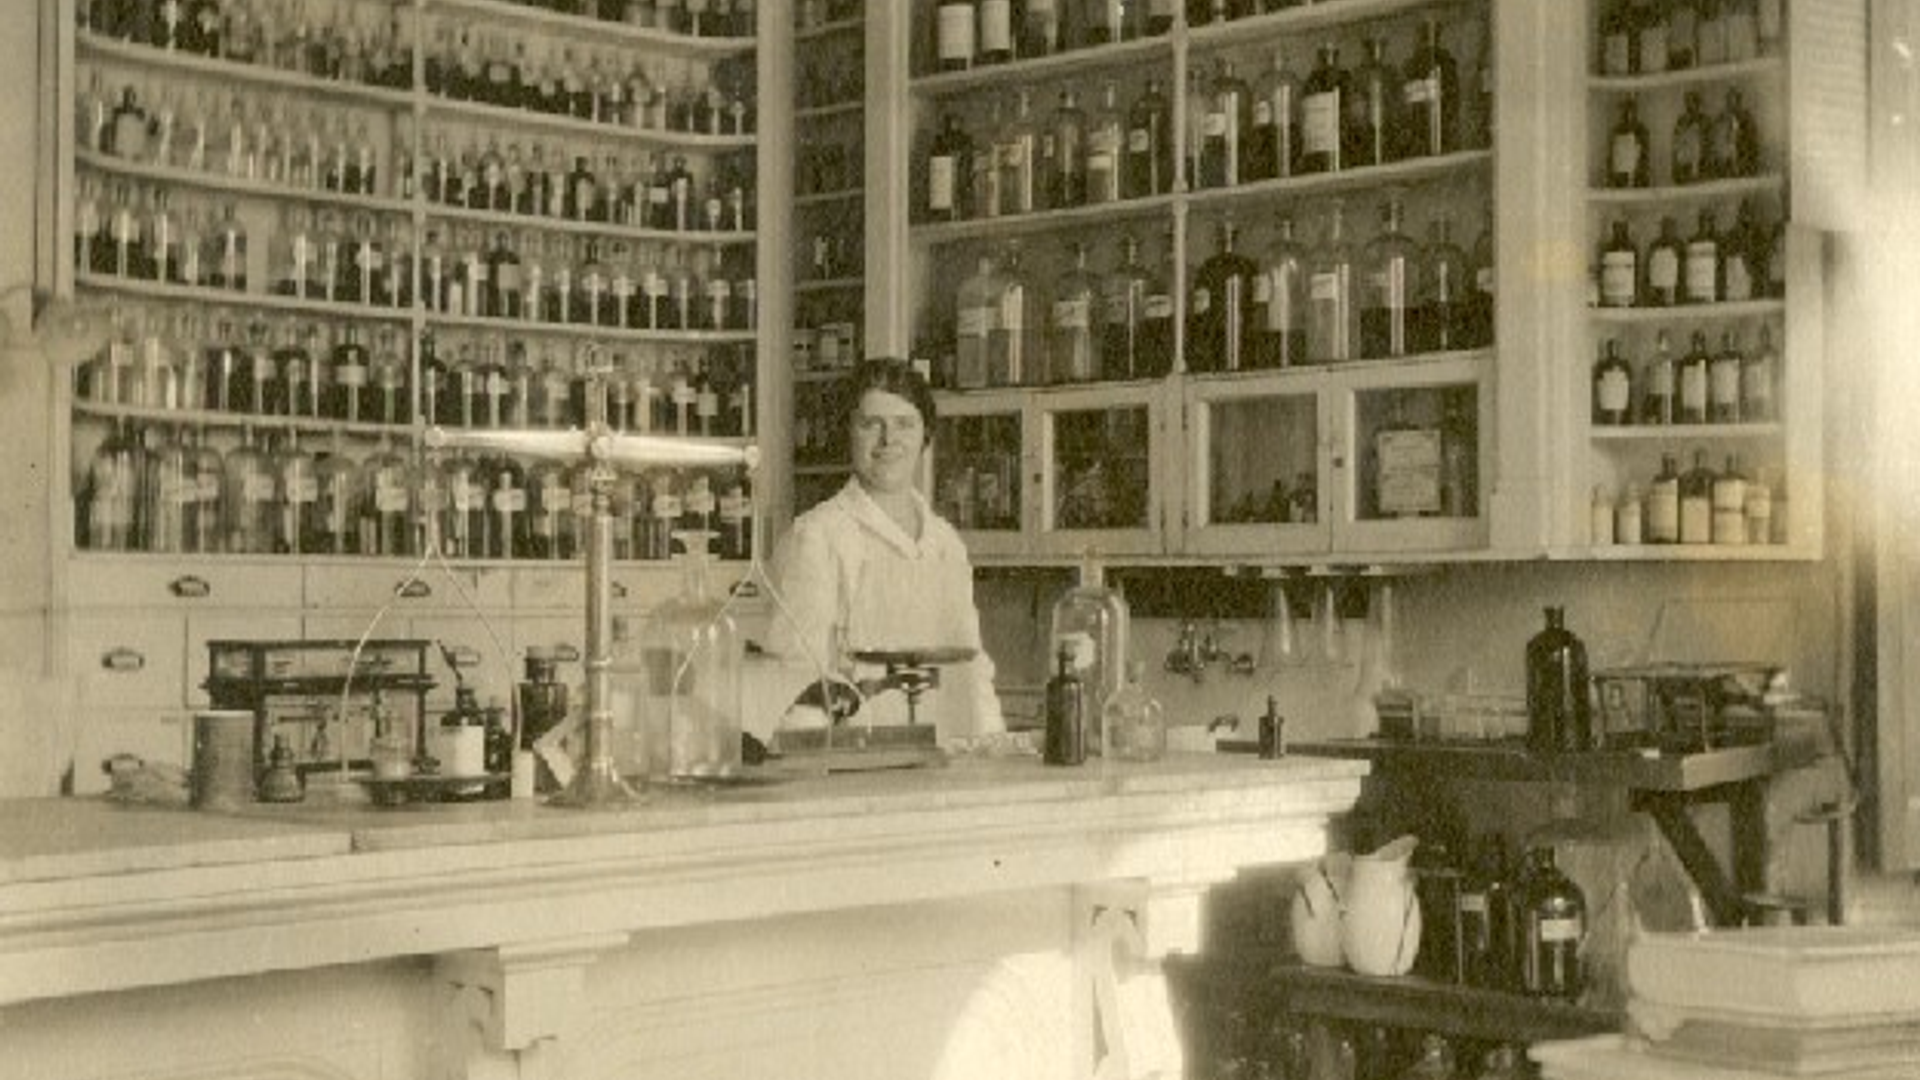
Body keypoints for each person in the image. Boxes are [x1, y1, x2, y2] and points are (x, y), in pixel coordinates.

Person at [752, 358, 1004, 741]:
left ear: (926, 435)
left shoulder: (945, 543)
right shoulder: (818, 536)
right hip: (854, 759)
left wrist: (993, 748)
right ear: (848, 433)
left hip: (941, 757)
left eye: (905, 424)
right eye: (872, 425)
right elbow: (795, 677)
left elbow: (972, 666)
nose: (889, 441)